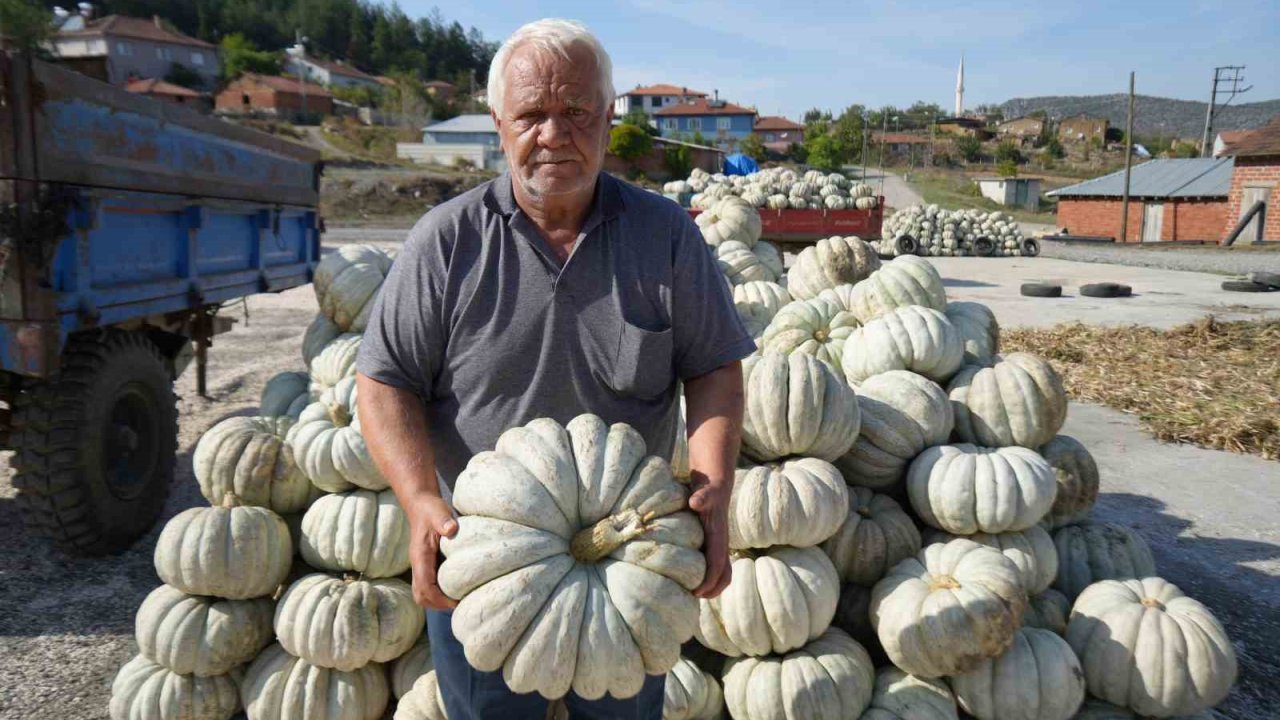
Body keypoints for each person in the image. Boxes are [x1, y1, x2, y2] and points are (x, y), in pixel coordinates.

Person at [355, 18, 755, 720]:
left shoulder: (666, 236)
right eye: (532, 114)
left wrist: (714, 485)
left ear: (606, 117)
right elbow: (384, 381)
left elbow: (715, 368)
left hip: (633, 553)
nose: (553, 133)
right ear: (498, 123)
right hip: (485, 558)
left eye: (574, 111)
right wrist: (420, 502)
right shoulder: (446, 242)